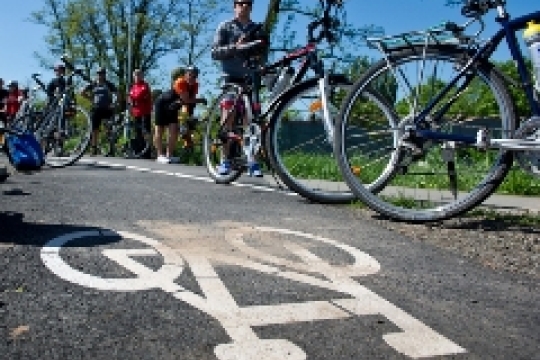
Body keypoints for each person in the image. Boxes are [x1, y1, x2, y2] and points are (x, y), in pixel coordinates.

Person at [211, 0, 268, 177]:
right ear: (234, 6)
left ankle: (252, 161)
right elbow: (214, 52)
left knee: (252, 120)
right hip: (231, 78)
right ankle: (224, 160)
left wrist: (257, 56)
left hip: (251, 78)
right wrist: (235, 47)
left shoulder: (257, 28)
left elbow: (263, 53)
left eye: (247, 3)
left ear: (251, 7)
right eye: (240, 3)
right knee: (228, 115)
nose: (243, 6)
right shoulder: (225, 26)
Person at [153, 66, 206, 164]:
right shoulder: (180, 82)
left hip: (174, 106)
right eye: (190, 75)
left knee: (174, 131)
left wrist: (189, 120)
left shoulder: (195, 85)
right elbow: (186, 100)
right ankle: (159, 155)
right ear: (185, 75)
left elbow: (190, 104)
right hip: (162, 103)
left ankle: (169, 155)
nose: (192, 78)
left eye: (195, 76)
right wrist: (200, 100)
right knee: (159, 130)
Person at [81, 67, 118, 155]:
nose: (100, 75)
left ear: (105, 74)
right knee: (95, 130)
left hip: (107, 109)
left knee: (108, 128)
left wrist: (114, 103)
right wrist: (90, 98)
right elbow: (82, 92)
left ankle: (111, 148)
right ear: (96, 75)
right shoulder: (93, 84)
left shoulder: (109, 84)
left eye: (102, 73)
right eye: (99, 73)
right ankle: (94, 148)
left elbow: (118, 94)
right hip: (96, 109)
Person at [128, 69, 152, 158]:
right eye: (135, 75)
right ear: (133, 77)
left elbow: (139, 96)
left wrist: (132, 98)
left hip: (145, 112)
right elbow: (129, 98)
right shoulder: (133, 86)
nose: (137, 76)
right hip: (136, 113)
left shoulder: (145, 85)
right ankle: (140, 151)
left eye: (139, 75)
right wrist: (131, 100)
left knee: (146, 131)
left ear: (142, 76)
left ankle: (148, 152)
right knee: (137, 132)